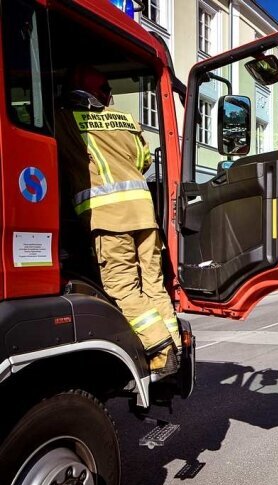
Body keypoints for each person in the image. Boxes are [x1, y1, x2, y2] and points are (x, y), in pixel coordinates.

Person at [56, 65, 180, 378]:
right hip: (144, 216)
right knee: (153, 286)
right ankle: (176, 343)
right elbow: (144, 160)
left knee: (124, 291)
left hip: (108, 219)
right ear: (104, 93)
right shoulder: (126, 121)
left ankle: (161, 350)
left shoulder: (63, 118)